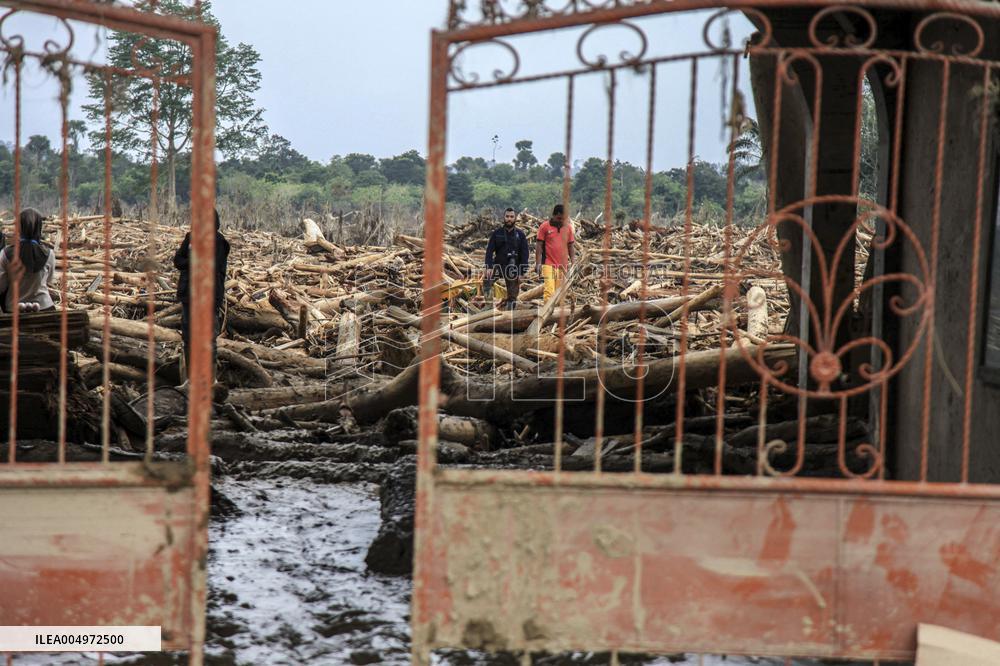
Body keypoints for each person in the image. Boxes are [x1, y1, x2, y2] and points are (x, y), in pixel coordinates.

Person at [173, 209, 230, 384]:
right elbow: (177, 260)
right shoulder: (190, 237)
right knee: (188, 337)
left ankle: (210, 380)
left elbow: (211, 265)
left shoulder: (219, 242)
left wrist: (192, 261)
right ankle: (190, 379)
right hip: (189, 295)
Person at [0, 208, 55, 313]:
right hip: (44, 306)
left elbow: (1, 285)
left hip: (13, 307)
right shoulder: (49, 254)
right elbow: (49, 280)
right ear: (39, 227)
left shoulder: (5, 254)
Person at [484, 207, 530, 310]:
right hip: (498, 265)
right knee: (487, 281)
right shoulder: (497, 233)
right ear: (504, 218)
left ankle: (510, 314)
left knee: (512, 296)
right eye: (507, 216)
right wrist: (489, 267)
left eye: (511, 217)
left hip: (513, 268)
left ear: (515, 218)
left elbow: (525, 255)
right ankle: (488, 307)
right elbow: (489, 251)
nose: (509, 219)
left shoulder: (520, 235)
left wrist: (522, 272)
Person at [535, 204, 575, 302]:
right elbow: (539, 245)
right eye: (559, 218)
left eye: (563, 219)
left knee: (560, 293)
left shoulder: (568, 228)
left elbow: (570, 246)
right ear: (554, 215)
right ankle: (547, 315)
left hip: (563, 266)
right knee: (549, 291)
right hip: (548, 264)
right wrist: (538, 263)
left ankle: (557, 315)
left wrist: (573, 262)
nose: (561, 221)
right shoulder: (544, 227)